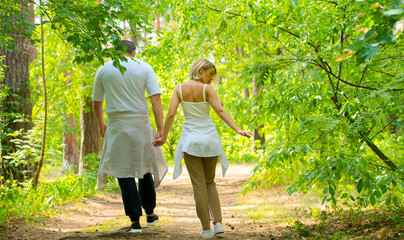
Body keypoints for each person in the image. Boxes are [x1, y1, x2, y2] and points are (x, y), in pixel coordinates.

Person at [153, 59, 251, 239]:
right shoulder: (207, 90)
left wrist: (164, 137)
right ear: (200, 70)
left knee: (199, 185)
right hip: (209, 140)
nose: (212, 78)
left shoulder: (179, 89)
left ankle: (206, 228)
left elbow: (171, 114)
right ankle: (218, 223)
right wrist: (237, 129)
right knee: (210, 182)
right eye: (210, 73)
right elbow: (220, 111)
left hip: (190, 142)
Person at [92, 40, 168, 233]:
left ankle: (135, 222)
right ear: (133, 52)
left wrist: (101, 124)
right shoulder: (144, 67)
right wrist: (160, 129)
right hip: (140, 124)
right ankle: (150, 214)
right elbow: (155, 99)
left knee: (123, 171)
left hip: (117, 125)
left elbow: (97, 103)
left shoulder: (104, 69)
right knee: (145, 168)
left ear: (115, 52)